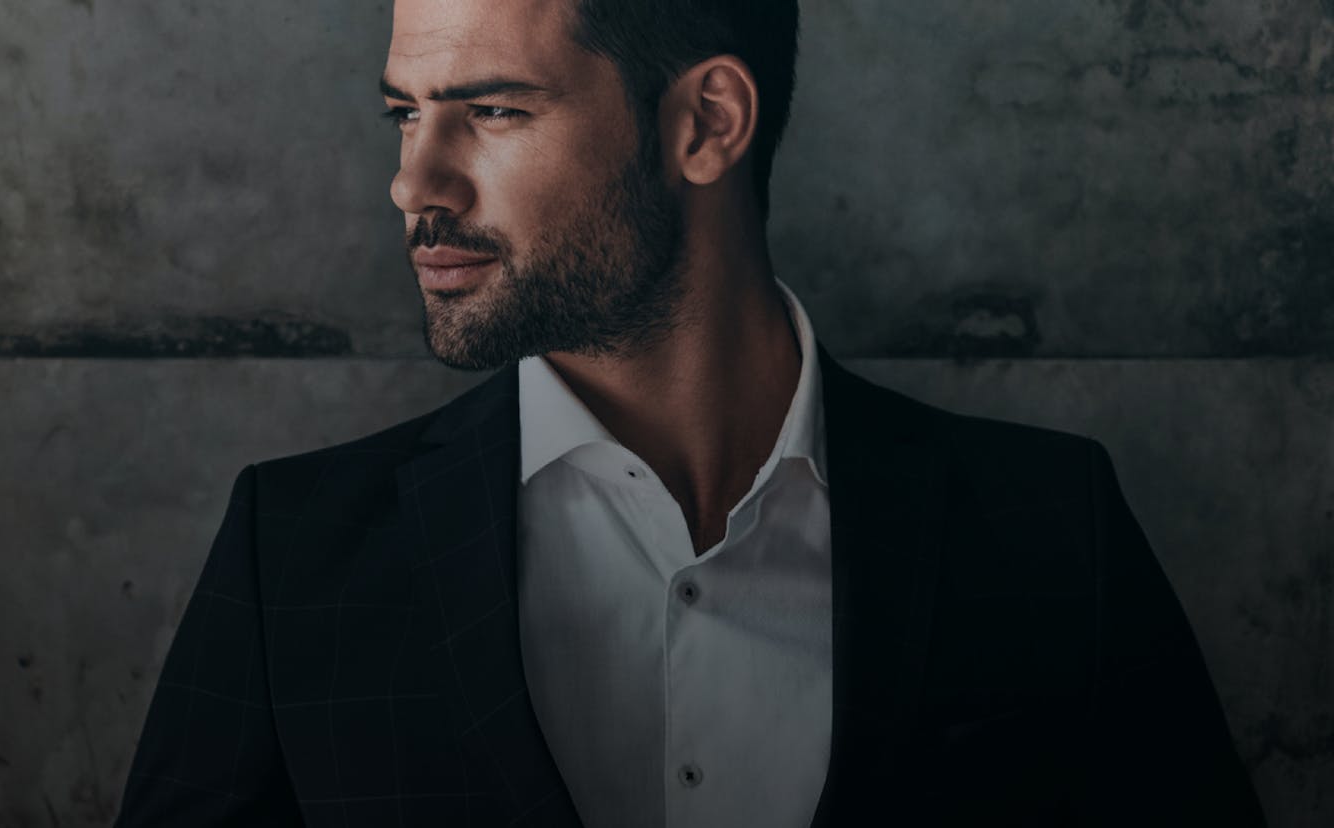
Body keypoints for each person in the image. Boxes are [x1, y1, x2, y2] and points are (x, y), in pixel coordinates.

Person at [115, 0, 1263, 825]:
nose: (415, 184)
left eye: (493, 111)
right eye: (402, 115)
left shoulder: (1050, 533)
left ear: (706, 123)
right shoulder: (296, 556)